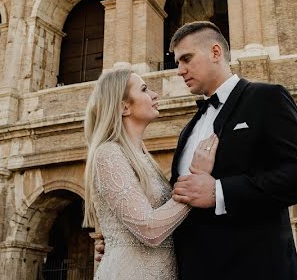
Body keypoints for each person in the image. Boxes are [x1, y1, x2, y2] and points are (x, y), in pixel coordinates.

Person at [94, 21, 297, 279]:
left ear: (215, 53)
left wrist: (219, 191)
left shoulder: (267, 99)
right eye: (177, 62)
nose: (179, 70)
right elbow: (175, 200)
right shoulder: (188, 129)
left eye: (186, 59)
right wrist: (124, 244)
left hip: (255, 269)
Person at [83, 67, 219, 280]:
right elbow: (149, 229)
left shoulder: (143, 158)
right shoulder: (108, 153)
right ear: (124, 107)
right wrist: (196, 184)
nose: (155, 94)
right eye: (145, 89)